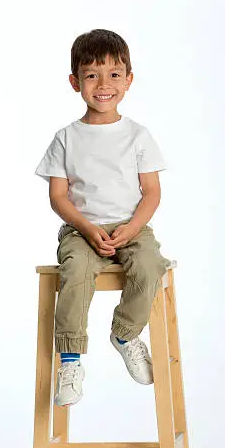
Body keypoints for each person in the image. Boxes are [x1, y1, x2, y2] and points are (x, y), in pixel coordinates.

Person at [35, 28, 170, 407]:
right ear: (75, 82)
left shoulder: (137, 135)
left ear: (128, 80)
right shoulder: (66, 138)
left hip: (132, 226)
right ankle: (72, 360)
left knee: (149, 266)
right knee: (75, 273)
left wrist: (133, 227)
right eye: (92, 75)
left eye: (114, 74)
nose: (103, 84)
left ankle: (125, 334)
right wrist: (86, 228)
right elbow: (58, 196)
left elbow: (152, 192)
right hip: (82, 229)